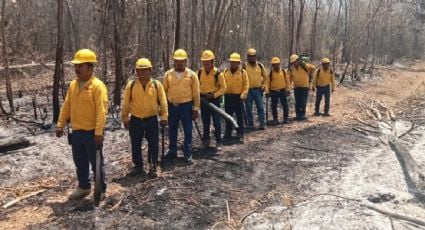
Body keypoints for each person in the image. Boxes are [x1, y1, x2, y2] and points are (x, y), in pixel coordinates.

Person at [56, 49, 108, 200]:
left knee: (96, 163)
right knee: (80, 162)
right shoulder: (73, 85)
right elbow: (67, 105)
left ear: (90, 67)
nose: (77, 69)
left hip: (92, 133)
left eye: (81, 65)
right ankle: (84, 186)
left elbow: (101, 111)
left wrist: (99, 132)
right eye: (75, 66)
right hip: (77, 132)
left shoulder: (98, 86)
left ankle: (101, 189)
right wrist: (61, 124)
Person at [121, 58, 168, 177]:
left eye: (145, 70)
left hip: (151, 119)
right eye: (139, 70)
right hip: (136, 119)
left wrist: (164, 116)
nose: (142, 73)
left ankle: (153, 165)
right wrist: (125, 117)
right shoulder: (131, 85)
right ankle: (138, 166)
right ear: (136, 71)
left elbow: (163, 102)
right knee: (135, 143)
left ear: (150, 70)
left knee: (153, 143)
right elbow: (126, 103)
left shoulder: (157, 85)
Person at [163, 49, 200, 164]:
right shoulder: (168, 74)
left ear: (186, 61)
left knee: (188, 130)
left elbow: (196, 93)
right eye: (177, 61)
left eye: (182, 61)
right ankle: (172, 151)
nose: (179, 63)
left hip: (186, 107)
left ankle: (187, 153)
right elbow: (163, 92)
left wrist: (196, 108)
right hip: (172, 107)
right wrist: (163, 108)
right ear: (174, 61)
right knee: (172, 129)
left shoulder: (192, 75)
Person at [197, 50, 226, 151]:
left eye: (207, 62)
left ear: (212, 62)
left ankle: (219, 141)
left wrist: (214, 95)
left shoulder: (218, 74)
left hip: (215, 100)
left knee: (216, 122)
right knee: (205, 121)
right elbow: (196, 86)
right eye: (204, 62)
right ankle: (206, 141)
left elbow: (223, 88)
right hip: (203, 100)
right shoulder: (200, 72)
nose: (205, 64)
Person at [223, 53, 249, 142]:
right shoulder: (225, 72)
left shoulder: (243, 72)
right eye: (231, 62)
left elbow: (246, 85)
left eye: (235, 62)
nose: (233, 64)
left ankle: (240, 132)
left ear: (239, 63)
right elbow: (221, 84)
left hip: (238, 97)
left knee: (239, 116)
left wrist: (243, 95)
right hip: (228, 97)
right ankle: (228, 132)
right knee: (228, 115)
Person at [243, 48, 267, 129]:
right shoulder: (244, 66)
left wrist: (264, 86)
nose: (252, 58)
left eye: (253, 56)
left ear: (256, 57)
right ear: (247, 57)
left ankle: (262, 124)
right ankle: (250, 124)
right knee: (248, 108)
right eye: (250, 56)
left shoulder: (260, 65)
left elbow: (266, 77)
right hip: (248, 91)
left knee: (260, 107)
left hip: (258, 90)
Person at [289, 54, 315, 121]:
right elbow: (290, 79)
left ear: (298, 61)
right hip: (296, 87)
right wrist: (288, 88)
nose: (293, 63)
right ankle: (298, 115)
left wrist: (305, 64)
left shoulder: (304, 66)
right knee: (297, 102)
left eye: (294, 62)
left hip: (305, 87)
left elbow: (313, 68)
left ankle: (302, 115)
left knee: (303, 102)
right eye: (292, 62)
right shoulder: (292, 69)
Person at [265, 57, 290, 124]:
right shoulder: (270, 73)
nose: (276, 66)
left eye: (277, 64)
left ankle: (286, 118)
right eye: (274, 64)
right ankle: (275, 119)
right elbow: (267, 83)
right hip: (274, 91)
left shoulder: (284, 72)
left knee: (285, 105)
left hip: (282, 90)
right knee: (273, 106)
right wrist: (267, 92)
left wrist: (288, 90)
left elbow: (287, 81)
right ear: (272, 65)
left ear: (279, 64)